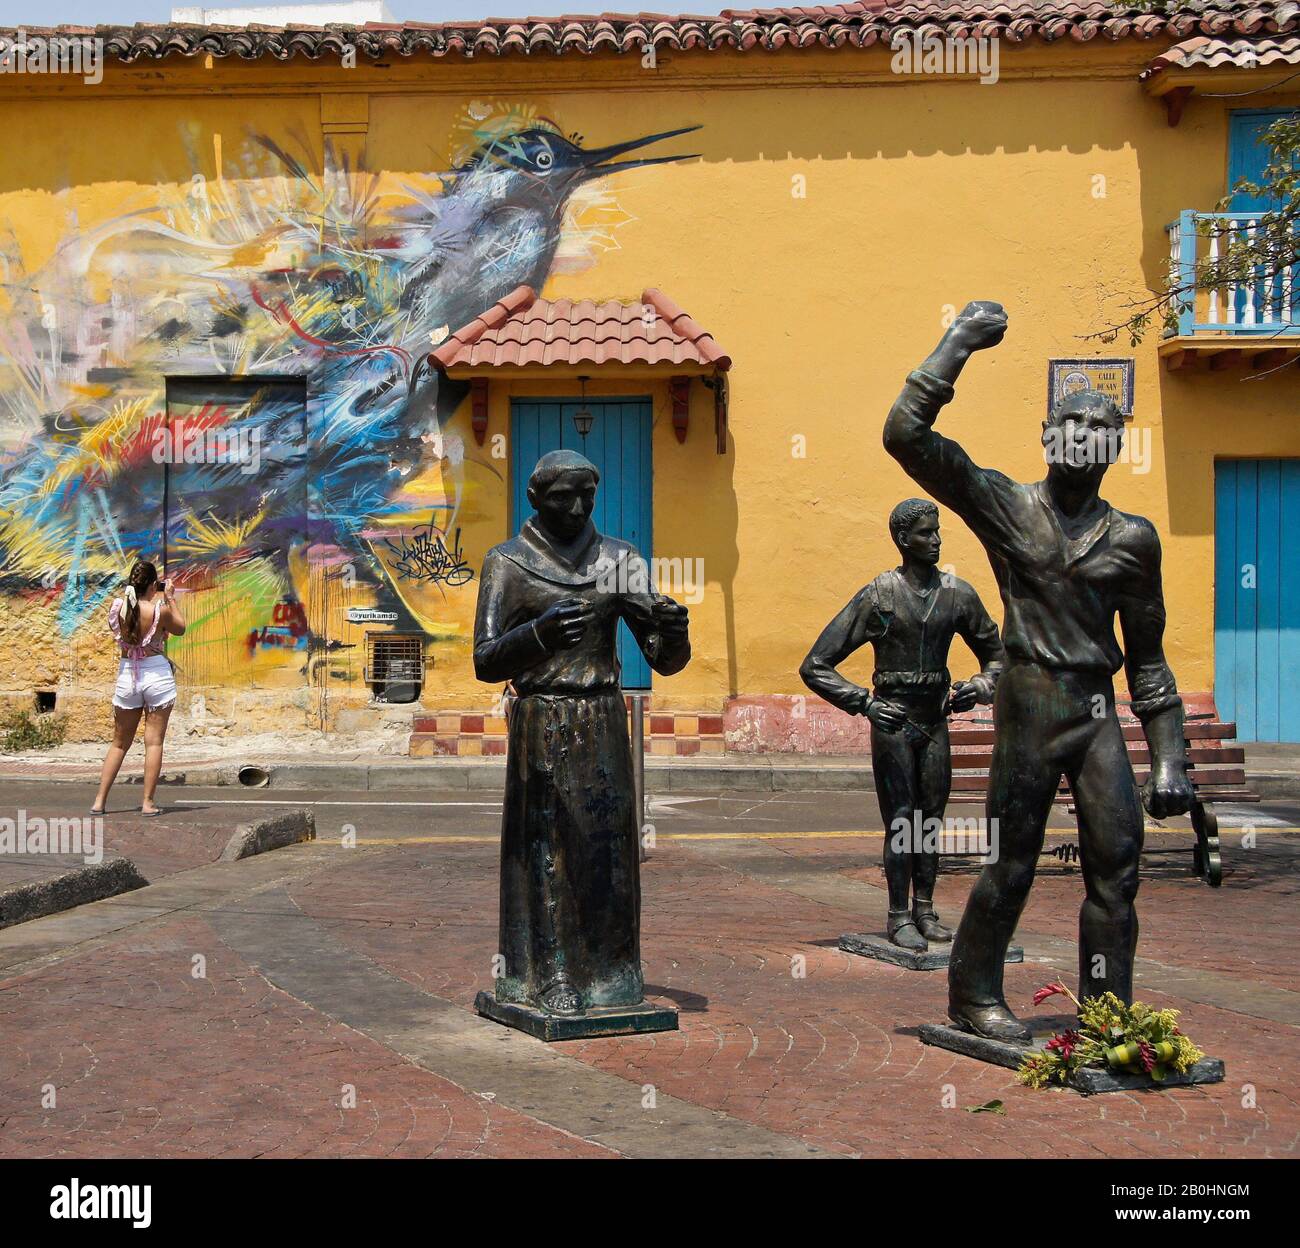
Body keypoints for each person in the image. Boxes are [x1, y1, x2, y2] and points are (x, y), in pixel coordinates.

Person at [883, 300, 1194, 1042]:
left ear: (1118, 446)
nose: (1086, 436)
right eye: (1073, 423)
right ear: (1049, 436)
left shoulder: (1134, 540)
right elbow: (906, 436)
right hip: (1027, 704)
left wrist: (1172, 762)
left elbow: (1148, 660)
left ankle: (1107, 1013)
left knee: (1118, 867)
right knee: (1012, 862)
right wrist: (955, 342)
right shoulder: (1006, 505)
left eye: (1102, 427)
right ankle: (973, 995)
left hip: (1094, 714)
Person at [473, 449, 690, 1017]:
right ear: (535, 499)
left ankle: (613, 971)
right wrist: (538, 635)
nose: (576, 507)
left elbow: (663, 661)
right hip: (542, 717)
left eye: (586, 495)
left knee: (609, 849)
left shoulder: (620, 558)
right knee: (548, 847)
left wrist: (676, 630)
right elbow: (485, 660)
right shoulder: (508, 562)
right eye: (561, 497)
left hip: (602, 719)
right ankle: (551, 974)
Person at [800, 498, 1003, 951]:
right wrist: (865, 704)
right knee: (900, 821)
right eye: (926, 533)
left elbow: (997, 654)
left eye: (937, 531)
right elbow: (816, 665)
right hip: (893, 721)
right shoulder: (878, 596)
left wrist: (982, 684)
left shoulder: (958, 594)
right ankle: (897, 915)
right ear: (902, 539)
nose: (936, 540)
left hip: (935, 719)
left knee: (930, 818)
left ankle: (925, 908)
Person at [91, 560, 186, 817]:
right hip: (156, 675)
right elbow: (181, 628)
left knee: (119, 743)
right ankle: (147, 803)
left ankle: (100, 801)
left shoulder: (117, 607)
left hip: (127, 677)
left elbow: (122, 632)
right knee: (153, 743)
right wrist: (171, 599)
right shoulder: (160, 610)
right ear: (154, 585)